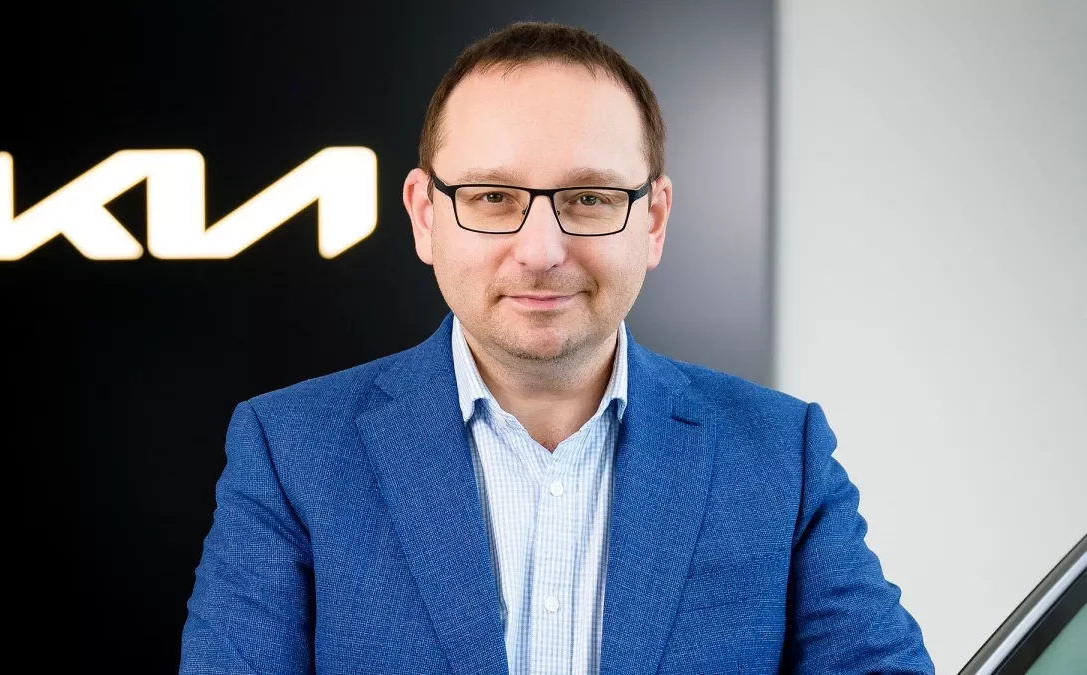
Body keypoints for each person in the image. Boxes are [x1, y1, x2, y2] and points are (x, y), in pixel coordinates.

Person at [180, 21, 934, 675]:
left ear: (654, 220)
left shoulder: (780, 454)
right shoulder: (291, 449)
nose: (541, 250)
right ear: (425, 216)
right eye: (492, 197)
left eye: (590, 198)